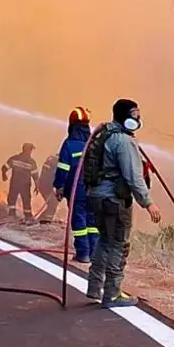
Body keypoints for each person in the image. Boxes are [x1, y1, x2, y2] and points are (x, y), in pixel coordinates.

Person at [83, 98, 162, 308]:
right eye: (135, 113)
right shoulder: (124, 142)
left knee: (104, 240)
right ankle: (112, 294)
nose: (138, 117)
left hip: (96, 197)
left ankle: (94, 288)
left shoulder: (104, 134)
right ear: (126, 117)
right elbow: (133, 177)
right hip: (114, 200)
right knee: (118, 244)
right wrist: (148, 203)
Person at [52, 106, 99, 262]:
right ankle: (94, 254)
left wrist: (59, 186)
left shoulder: (69, 144)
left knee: (79, 221)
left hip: (77, 191)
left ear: (71, 125)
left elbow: (63, 168)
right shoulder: (94, 144)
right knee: (92, 222)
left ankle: (83, 253)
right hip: (95, 191)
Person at [1, 142, 40, 222]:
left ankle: (12, 215)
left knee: (12, 198)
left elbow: (4, 168)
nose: (31, 152)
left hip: (15, 183)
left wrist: (4, 175)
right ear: (28, 150)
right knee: (26, 200)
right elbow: (35, 176)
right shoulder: (31, 162)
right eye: (31, 150)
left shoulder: (14, 158)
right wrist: (37, 186)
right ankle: (27, 217)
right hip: (25, 185)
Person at [35, 155, 60, 224]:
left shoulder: (51, 160)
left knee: (52, 204)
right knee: (53, 204)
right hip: (46, 186)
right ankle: (45, 220)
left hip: (44, 186)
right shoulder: (55, 162)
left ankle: (42, 220)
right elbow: (48, 176)